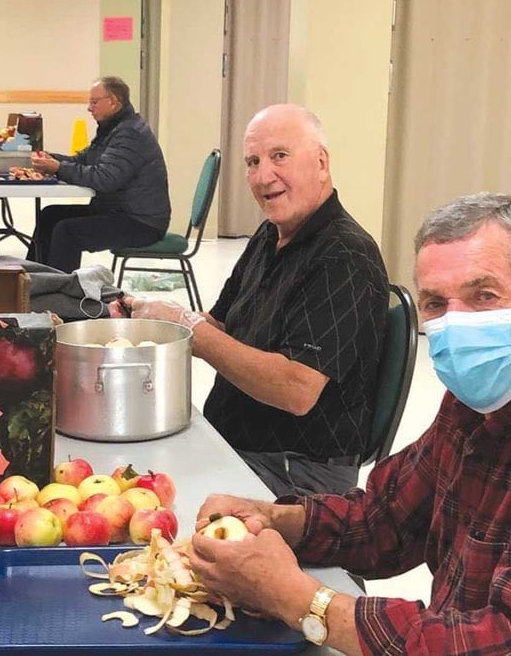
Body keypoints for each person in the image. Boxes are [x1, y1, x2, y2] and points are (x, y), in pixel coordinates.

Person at [186, 194, 511, 654]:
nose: (456, 327)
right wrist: (274, 518)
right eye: (436, 304)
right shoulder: (480, 399)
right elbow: (387, 522)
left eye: (483, 296)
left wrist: (298, 599)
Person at [122, 104, 389, 496]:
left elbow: (296, 389)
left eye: (279, 156)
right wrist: (154, 320)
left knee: (140, 494)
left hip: (296, 470)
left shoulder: (344, 255)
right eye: (253, 162)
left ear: (321, 162)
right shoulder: (270, 234)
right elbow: (222, 326)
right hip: (238, 441)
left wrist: (192, 329)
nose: (264, 176)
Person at [27, 76, 170, 273]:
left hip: (141, 222)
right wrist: (49, 159)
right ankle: (32, 281)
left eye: (94, 102)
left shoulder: (130, 133)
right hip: (117, 210)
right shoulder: (112, 128)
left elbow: (105, 179)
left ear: (113, 102)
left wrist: (58, 168)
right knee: (50, 216)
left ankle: (60, 289)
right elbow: (82, 160)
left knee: (67, 231)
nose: (89, 108)